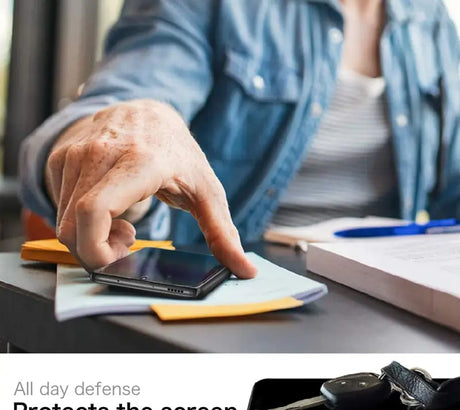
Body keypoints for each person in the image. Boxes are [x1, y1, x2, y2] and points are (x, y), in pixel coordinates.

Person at [20, 0, 459, 278]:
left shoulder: (431, 19)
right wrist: (127, 140)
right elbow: (124, 97)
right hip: (229, 290)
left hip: (384, 302)